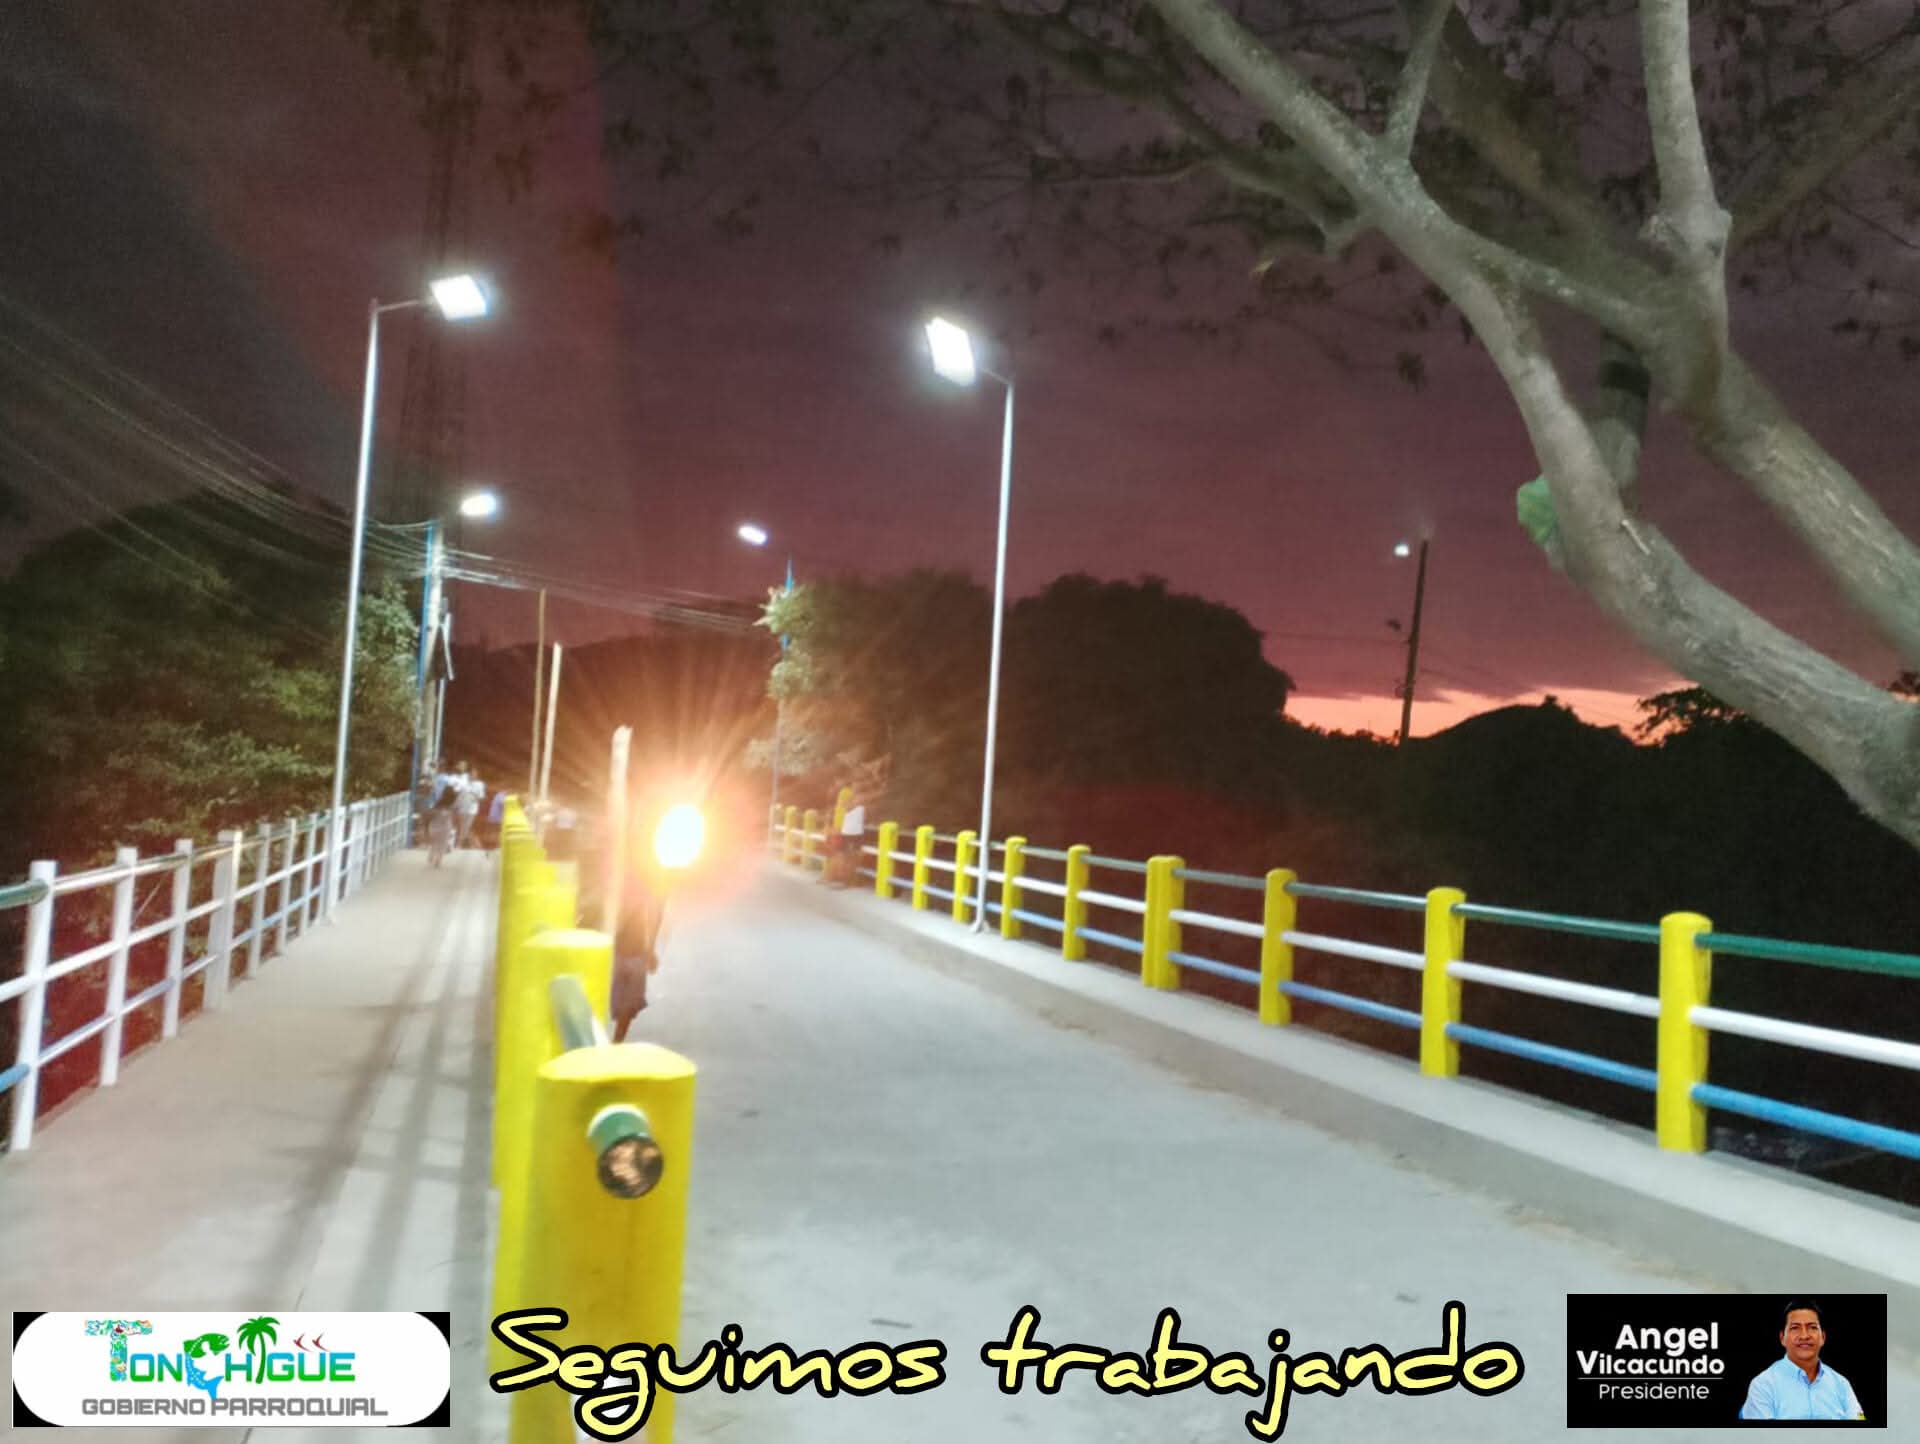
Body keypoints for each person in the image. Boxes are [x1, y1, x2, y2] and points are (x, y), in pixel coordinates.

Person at [1740, 1300, 1866, 1421]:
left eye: (1812, 1327)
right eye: (1795, 1328)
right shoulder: (1763, 1385)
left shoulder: (1841, 1384)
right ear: (1782, 1338)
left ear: (1823, 1337)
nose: (1804, 1336)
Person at [453, 774, 483, 849]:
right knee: (463, 827)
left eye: (474, 774)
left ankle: (459, 844)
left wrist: (474, 794)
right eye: (471, 775)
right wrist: (455, 806)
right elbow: (459, 797)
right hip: (462, 809)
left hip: (472, 810)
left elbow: (481, 797)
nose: (472, 776)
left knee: (466, 827)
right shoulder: (463, 784)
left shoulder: (479, 785)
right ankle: (469, 844)